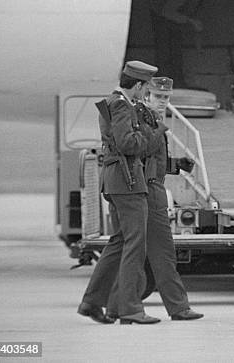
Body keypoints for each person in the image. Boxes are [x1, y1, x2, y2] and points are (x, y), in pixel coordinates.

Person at [77, 60, 168, 325]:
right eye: (145, 87)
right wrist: (155, 132)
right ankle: (130, 309)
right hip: (127, 181)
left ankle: (92, 302)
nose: (145, 93)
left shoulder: (118, 103)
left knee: (119, 242)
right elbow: (128, 144)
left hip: (120, 180)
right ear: (138, 85)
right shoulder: (121, 105)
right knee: (135, 244)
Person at [106, 76, 203, 321]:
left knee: (153, 252)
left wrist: (174, 165)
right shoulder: (138, 116)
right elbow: (138, 149)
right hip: (144, 191)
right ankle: (174, 307)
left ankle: (120, 308)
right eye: (158, 97)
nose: (163, 102)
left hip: (150, 187)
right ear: (145, 95)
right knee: (152, 252)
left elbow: (151, 159)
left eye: (166, 98)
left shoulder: (150, 118)